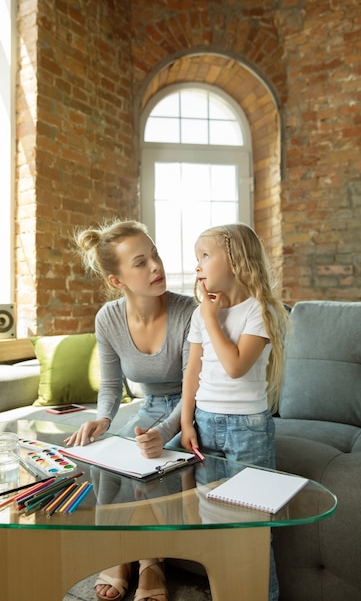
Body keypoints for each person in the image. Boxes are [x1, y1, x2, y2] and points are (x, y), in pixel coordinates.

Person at [64, 219, 196, 601]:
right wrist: (102, 419)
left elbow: (194, 388)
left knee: (149, 465)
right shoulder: (107, 318)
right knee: (106, 457)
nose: (156, 266)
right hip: (149, 408)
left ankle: (151, 563)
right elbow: (110, 386)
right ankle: (119, 553)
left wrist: (165, 434)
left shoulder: (189, 312)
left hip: (191, 410)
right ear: (117, 281)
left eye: (154, 254)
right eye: (140, 262)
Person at [180, 223, 289, 601]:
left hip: (248, 429)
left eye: (205, 256)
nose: (198, 266)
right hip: (205, 425)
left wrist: (211, 318)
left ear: (237, 259)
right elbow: (192, 371)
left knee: (252, 525)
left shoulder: (260, 311)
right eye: (196, 259)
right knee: (215, 522)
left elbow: (236, 366)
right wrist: (185, 421)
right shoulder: (200, 314)